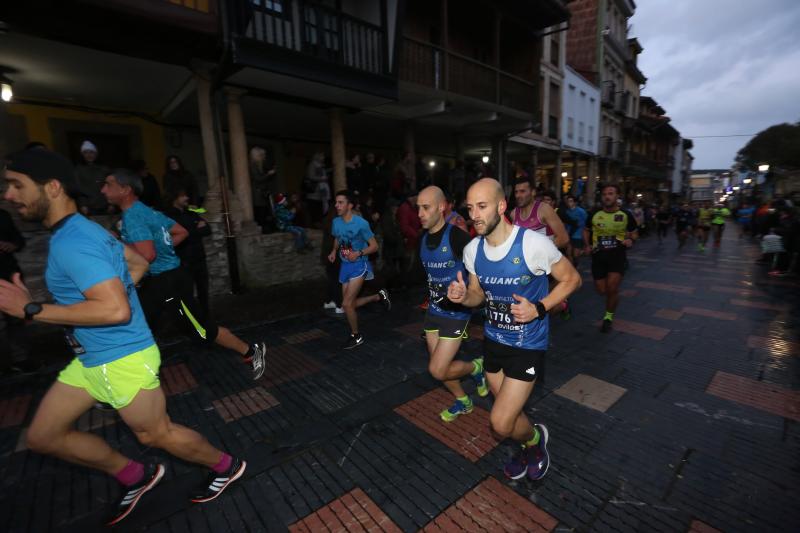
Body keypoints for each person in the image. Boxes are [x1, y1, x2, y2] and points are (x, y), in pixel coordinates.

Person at [0, 148, 246, 525]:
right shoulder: (83, 229)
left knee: (156, 435)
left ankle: (226, 466)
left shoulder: (73, 241)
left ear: (51, 187)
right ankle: (137, 475)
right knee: (43, 437)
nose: (9, 195)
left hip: (123, 357)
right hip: (91, 359)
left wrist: (32, 310)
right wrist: (108, 296)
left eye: (17, 185)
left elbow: (116, 310)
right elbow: (138, 263)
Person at [447, 178, 581, 480]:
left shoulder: (533, 244)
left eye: (482, 206)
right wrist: (462, 297)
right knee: (510, 416)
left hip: (528, 345)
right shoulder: (472, 251)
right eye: (470, 208)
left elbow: (572, 279)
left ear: (501, 206)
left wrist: (539, 307)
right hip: (494, 342)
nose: (475, 215)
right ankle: (531, 444)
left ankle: (533, 441)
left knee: (500, 422)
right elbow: (477, 295)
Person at [101, 169, 266, 379]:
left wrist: (115, 243)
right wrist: (159, 249)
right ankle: (128, 377)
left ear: (125, 190)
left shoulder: (134, 216)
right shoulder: (147, 211)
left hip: (168, 284)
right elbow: (181, 232)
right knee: (134, 326)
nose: (103, 189)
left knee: (202, 332)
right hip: (160, 282)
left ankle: (252, 352)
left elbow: (146, 255)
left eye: (108, 184)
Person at [417, 186, 488, 421]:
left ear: (441, 207)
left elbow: (480, 265)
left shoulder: (457, 236)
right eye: (418, 208)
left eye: (425, 207)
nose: (420, 213)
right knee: (441, 369)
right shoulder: (423, 238)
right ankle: (463, 401)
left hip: (456, 313)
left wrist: (469, 289)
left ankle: (477, 367)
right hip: (434, 310)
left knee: (437, 369)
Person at [327, 190, 391, 349]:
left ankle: (356, 336)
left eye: (340, 202)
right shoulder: (336, 222)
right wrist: (334, 251)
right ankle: (378, 297)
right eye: (336, 202)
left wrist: (359, 253)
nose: (337, 205)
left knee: (347, 304)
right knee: (350, 305)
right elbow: (337, 238)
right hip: (345, 266)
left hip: (359, 265)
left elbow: (374, 246)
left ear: (350, 205)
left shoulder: (361, 223)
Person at [583, 184, 638, 333]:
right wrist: (587, 245)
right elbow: (586, 230)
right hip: (598, 257)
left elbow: (634, 233)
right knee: (602, 290)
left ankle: (608, 317)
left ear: (617, 196)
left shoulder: (626, 214)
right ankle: (611, 300)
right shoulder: (594, 213)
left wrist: (630, 240)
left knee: (612, 288)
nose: (607, 196)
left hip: (617, 257)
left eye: (611, 193)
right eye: (604, 194)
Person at [162, 188, 212, 317]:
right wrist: (194, 230)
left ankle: (205, 316)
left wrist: (188, 232)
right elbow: (175, 236)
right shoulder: (168, 216)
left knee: (203, 290)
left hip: (199, 258)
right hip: (183, 260)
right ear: (175, 198)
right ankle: (190, 319)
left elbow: (207, 229)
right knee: (186, 292)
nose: (187, 198)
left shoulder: (191, 211)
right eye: (183, 196)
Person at [511, 179, 568, 248]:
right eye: (516, 192)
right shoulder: (514, 213)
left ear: (533, 192)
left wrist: (540, 253)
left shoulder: (544, 209)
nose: (518, 195)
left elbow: (563, 239)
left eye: (522, 191)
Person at [75, 140, 111, 216]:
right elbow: (79, 189)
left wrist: (111, 203)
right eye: (86, 152)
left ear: (96, 153)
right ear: (82, 154)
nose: (89, 155)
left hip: (105, 206)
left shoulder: (105, 169)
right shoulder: (78, 170)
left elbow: (110, 186)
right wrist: (82, 205)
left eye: (91, 152)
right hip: (88, 207)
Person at [249, 146, 276, 233]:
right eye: (262, 155)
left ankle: (263, 229)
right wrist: (268, 174)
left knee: (263, 213)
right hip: (257, 193)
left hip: (260, 192)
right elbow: (258, 179)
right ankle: (261, 230)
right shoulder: (253, 165)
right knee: (260, 213)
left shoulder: (258, 165)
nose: (264, 157)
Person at [564, 194, 588, 266]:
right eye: (568, 201)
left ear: (575, 202)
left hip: (578, 235)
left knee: (575, 255)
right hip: (568, 235)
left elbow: (585, 223)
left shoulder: (581, 211)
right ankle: (571, 269)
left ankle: (575, 266)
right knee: (569, 253)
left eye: (571, 201)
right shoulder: (566, 212)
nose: (569, 203)